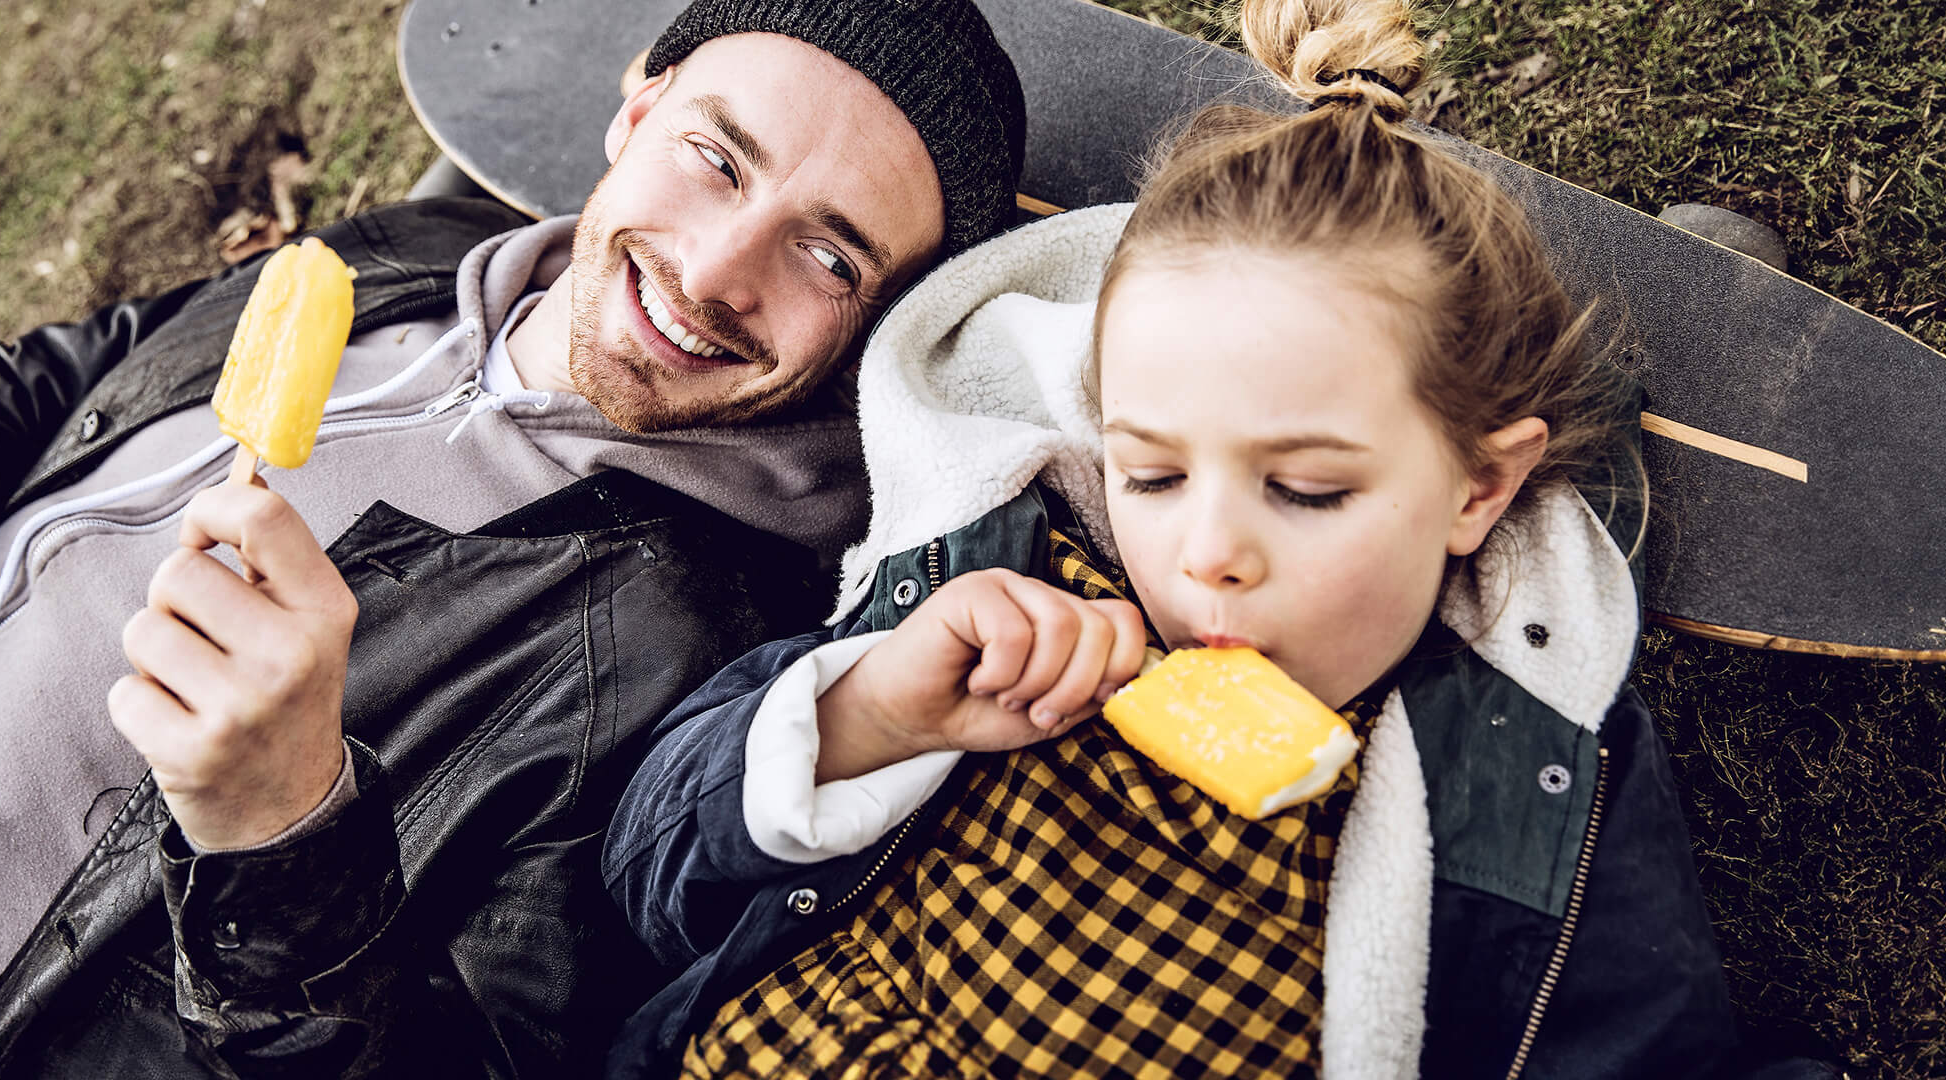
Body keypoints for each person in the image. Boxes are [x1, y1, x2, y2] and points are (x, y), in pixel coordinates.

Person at [0, 1, 1028, 1075]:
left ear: (881, 330)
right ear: (637, 108)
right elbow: (49, 375)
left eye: (829, 255)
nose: (718, 273)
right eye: (715, 159)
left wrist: (280, 828)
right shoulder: (426, 248)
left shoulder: (693, 650)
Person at [597, 0, 1843, 1076]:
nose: (1207, 554)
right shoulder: (992, 593)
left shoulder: (1515, 776)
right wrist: (868, 713)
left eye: (1305, 490)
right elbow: (644, 879)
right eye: (1151, 473)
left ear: (1477, 488)